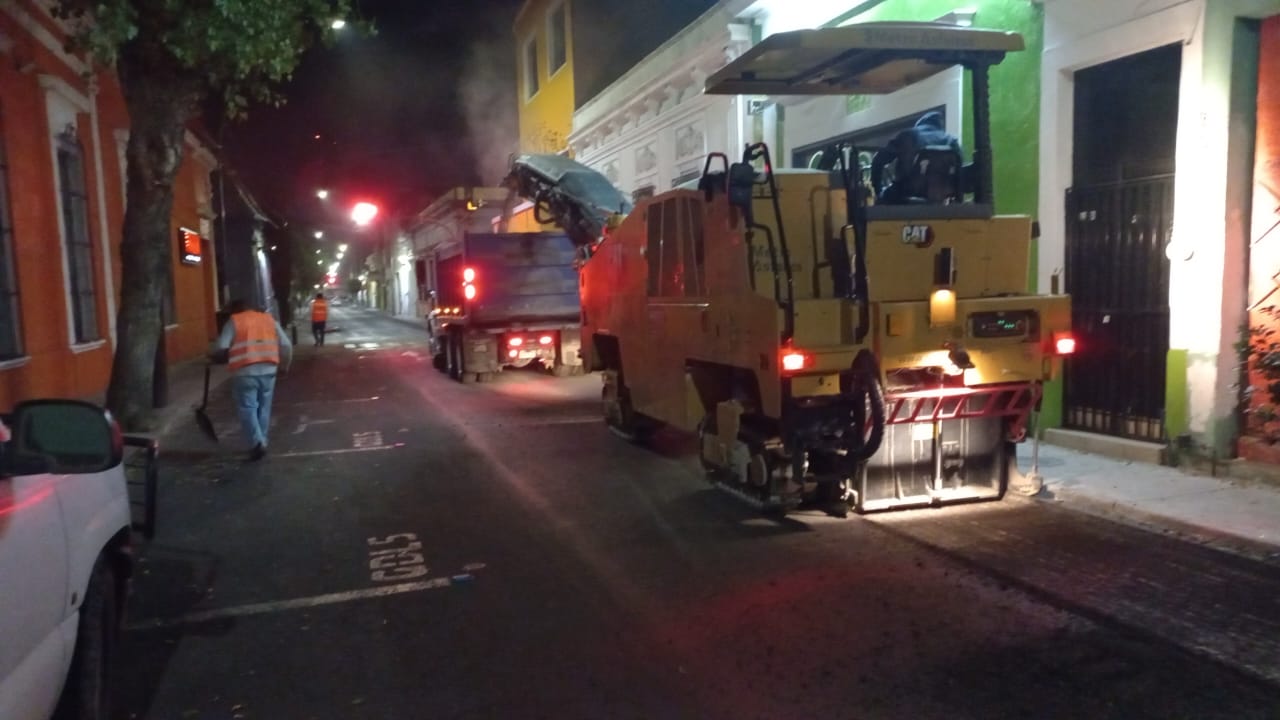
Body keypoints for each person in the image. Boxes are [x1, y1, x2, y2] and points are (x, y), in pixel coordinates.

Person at [213, 300, 292, 462]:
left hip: (244, 372)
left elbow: (221, 346)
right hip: (269, 370)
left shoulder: (234, 321)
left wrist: (214, 355)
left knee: (248, 408)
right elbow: (286, 345)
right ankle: (262, 440)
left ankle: (257, 443)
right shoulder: (269, 320)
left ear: (235, 310)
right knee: (264, 408)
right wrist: (285, 366)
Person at [870, 111, 964, 204]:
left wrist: (878, 190)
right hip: (942, 195)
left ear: (920, 125)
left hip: (905, 193)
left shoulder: (909, 135)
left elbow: (878, 160)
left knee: (881, 200)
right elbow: (959, 174)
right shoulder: (952, 141)